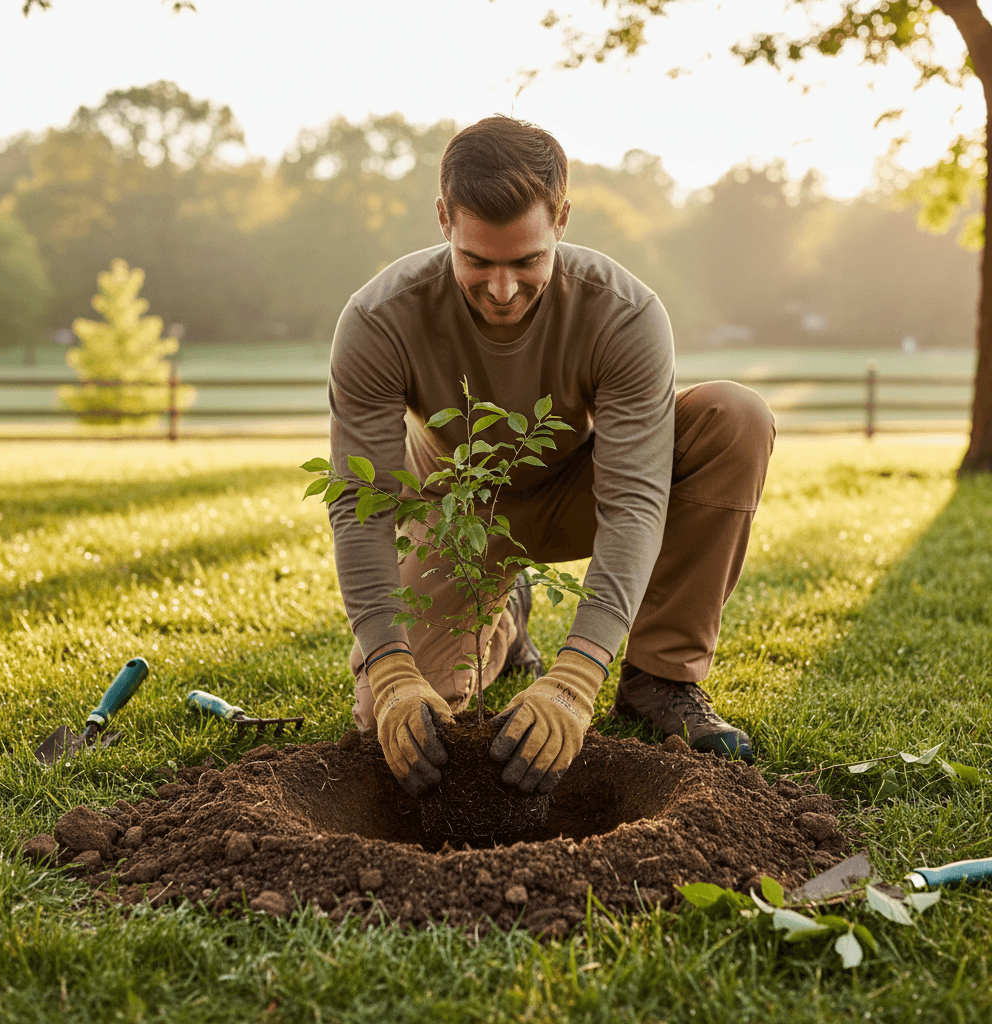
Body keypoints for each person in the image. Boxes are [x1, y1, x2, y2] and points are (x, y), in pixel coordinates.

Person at [326, 115, 774, 798]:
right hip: (457, 515)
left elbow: (634, 502)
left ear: (561, 219)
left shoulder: (623, 313)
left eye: (526, 261)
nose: (502, 289)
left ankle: (662, 678)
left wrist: (577, 675)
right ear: (444, 219)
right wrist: (388, 668)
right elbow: (360, 506)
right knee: (391, 722)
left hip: (577, 495)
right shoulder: (378, 319)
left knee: (735, 417)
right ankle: (506, 619)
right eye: (478, 260)